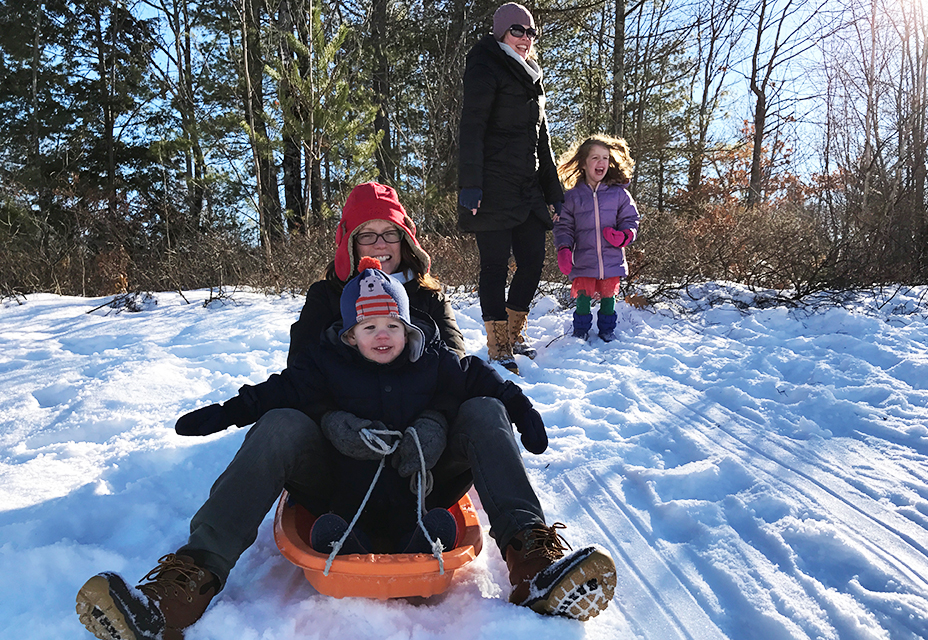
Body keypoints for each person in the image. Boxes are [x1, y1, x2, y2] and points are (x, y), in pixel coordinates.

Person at [75, 259, 618, 640]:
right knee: (282, 421)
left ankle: (531, 561)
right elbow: (275, 393)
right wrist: (223, 413)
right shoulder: (324, 364)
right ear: (350, 331)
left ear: (407, 325)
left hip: (419, 488)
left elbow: (490, 383)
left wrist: (520, 413)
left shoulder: (436, 360)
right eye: (368, 325)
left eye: (391, 325)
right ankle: (185, 586)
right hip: (339, 490)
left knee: (484, 411)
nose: (381, 335)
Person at [458, 2, 564, 373]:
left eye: (531, 32)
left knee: (533, 261)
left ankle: (515, 331)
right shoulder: (486, 65)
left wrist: (554, 192)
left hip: (527, 186)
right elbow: (472, 127)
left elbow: (543, 140)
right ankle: (498, 343)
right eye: (517, 31)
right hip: (491, 185)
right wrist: (470, 185)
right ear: (501, 32)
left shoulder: (533, 76)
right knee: (494, 265)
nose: (525, 38)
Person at [289, 181, 465, 364]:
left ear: (404, 241)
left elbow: (456, 366)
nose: (381, 244)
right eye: (367, 235)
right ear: (351, 245)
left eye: (390, 233)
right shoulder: (325, 297)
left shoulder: (430, 298)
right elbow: (301, 366)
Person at [554, 135, 640, 341]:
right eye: (595, 158)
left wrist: (625, 235)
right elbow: (563, 225)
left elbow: (631, 219)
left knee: (609, 298)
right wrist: (564, 249)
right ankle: (580, 330)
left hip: (611, 257)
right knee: (583, 297)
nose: (601, 163)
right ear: (583, 163)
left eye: (605, 158)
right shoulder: (572, 197)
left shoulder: (619, 194)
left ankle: (607, 330)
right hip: (583, 258)